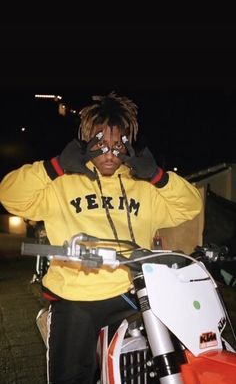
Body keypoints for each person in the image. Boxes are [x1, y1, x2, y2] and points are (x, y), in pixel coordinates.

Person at [0, 92, 202, 384]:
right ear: (85, 143)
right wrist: (55, 166)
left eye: (117, 144)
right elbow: (9, 195)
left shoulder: (142, 186)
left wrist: (158, 176)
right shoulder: (63, 182)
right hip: (76, 296)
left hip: (133, 292)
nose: (109, 153)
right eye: (100, 143)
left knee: (160, 366)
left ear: (129, 145)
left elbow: (191, 205)